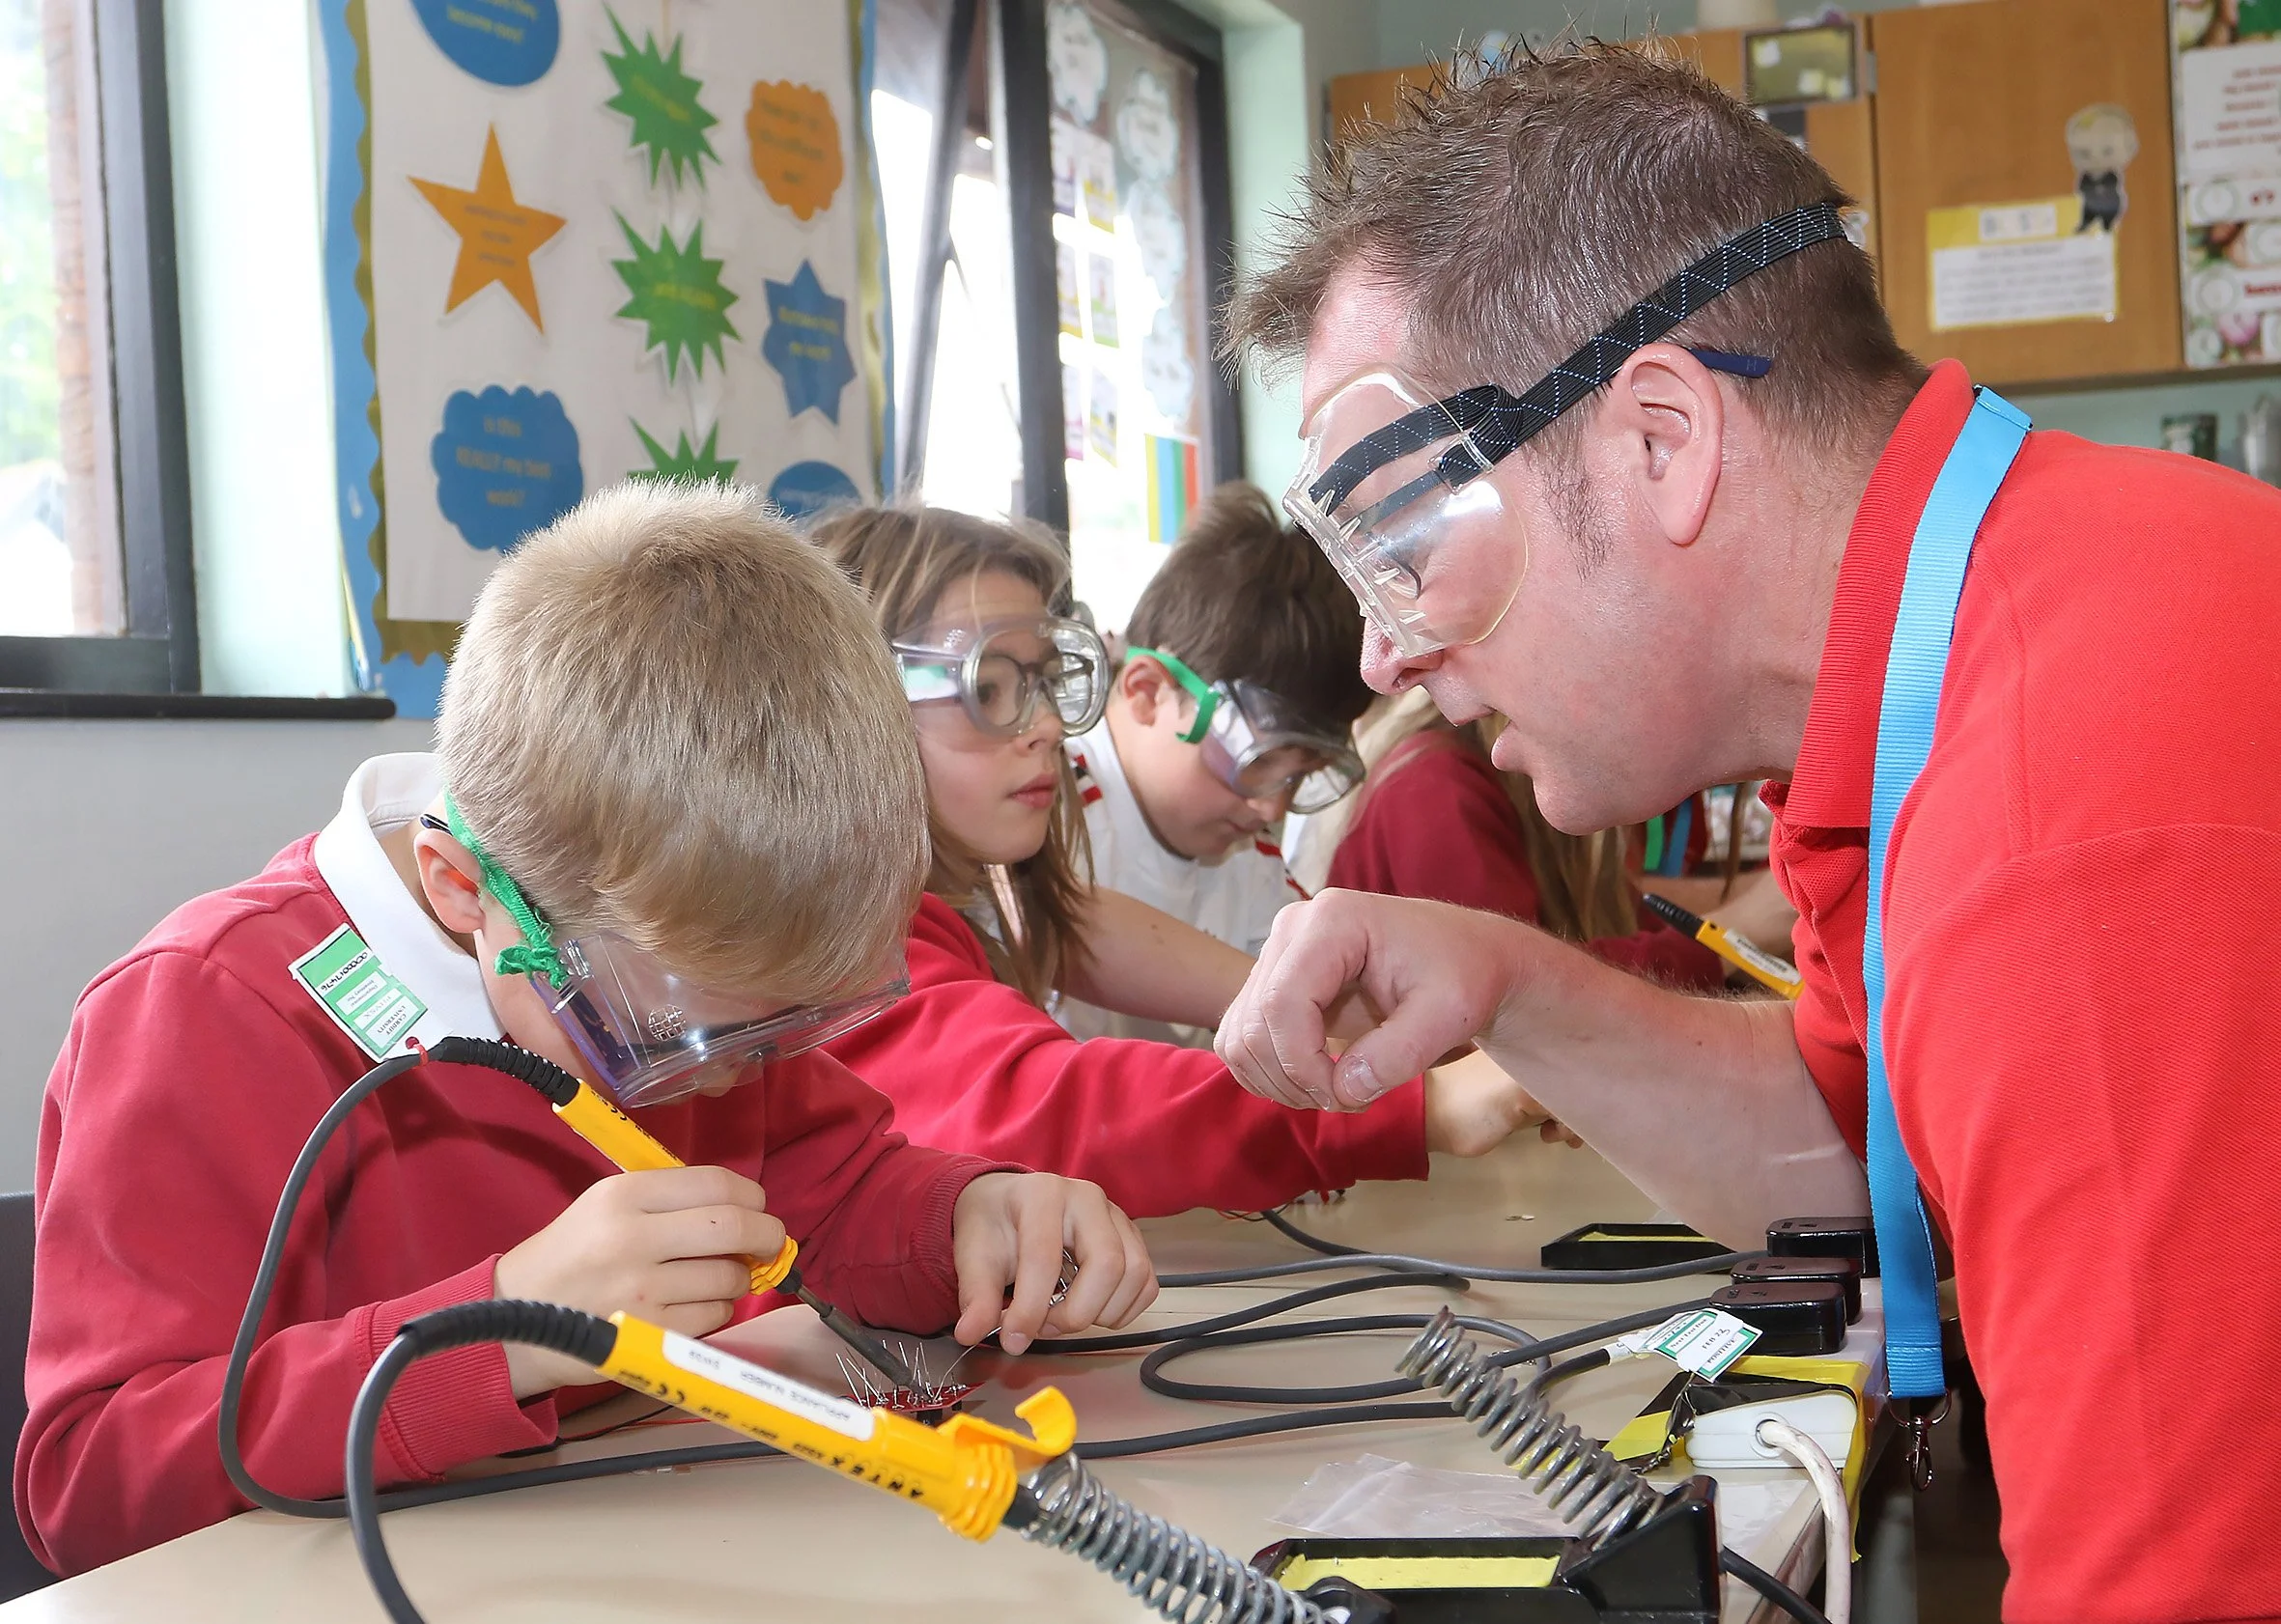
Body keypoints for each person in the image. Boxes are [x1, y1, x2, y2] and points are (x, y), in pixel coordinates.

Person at [1213, 42, 2281, 1624]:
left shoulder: (2060, 810)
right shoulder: (1958, 655)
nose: (1381, 654)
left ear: (1660, 438)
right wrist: (1507, 983)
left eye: (1403, 540)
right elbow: (1865, 1158)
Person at [17, 484, 1154, 1576]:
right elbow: (91, 1486)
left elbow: (835, 1195)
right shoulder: (204, 1014)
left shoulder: (679, 961)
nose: (730, 1082)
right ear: (464, 890)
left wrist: (969, 1217)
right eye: (672, 1040)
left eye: (780, 1032)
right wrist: (507, 1325)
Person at [810, 504, 1554, 1218]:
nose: (1047, 726)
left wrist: (1473, 1014)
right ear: (849, 708)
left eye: (1043, 683)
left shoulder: (995, 898)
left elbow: (1081, 926)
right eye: (988, 687)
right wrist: (1420, 1106)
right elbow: (1043, 1106)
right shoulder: (836, 956)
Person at [1059, 484, 1372, 1042]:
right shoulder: (1046, 826)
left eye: (1298, 777)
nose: (1271, 808)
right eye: (1255, 761)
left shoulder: (1250, 863)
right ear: (1148, 693)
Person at [1306, 686, 1734, 990]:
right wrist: (1735, 936)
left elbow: (1612, 910)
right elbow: (1514, 1000)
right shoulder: (1435, 790)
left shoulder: (1507, 778)